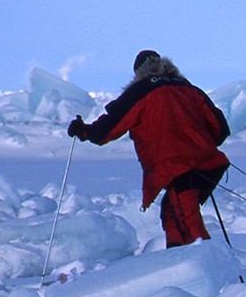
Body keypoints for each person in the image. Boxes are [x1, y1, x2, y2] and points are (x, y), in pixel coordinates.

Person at [68, 50, 230, 248]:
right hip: (207, 164)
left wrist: (85, 131)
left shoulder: (140, 91)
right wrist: (198, 144)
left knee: (186, 220)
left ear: (138, 72)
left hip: (176, 166)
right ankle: (178, 263)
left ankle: (206, 267)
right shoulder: (190, 89)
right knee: (172, 212)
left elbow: (109, 128)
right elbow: (221, 129)